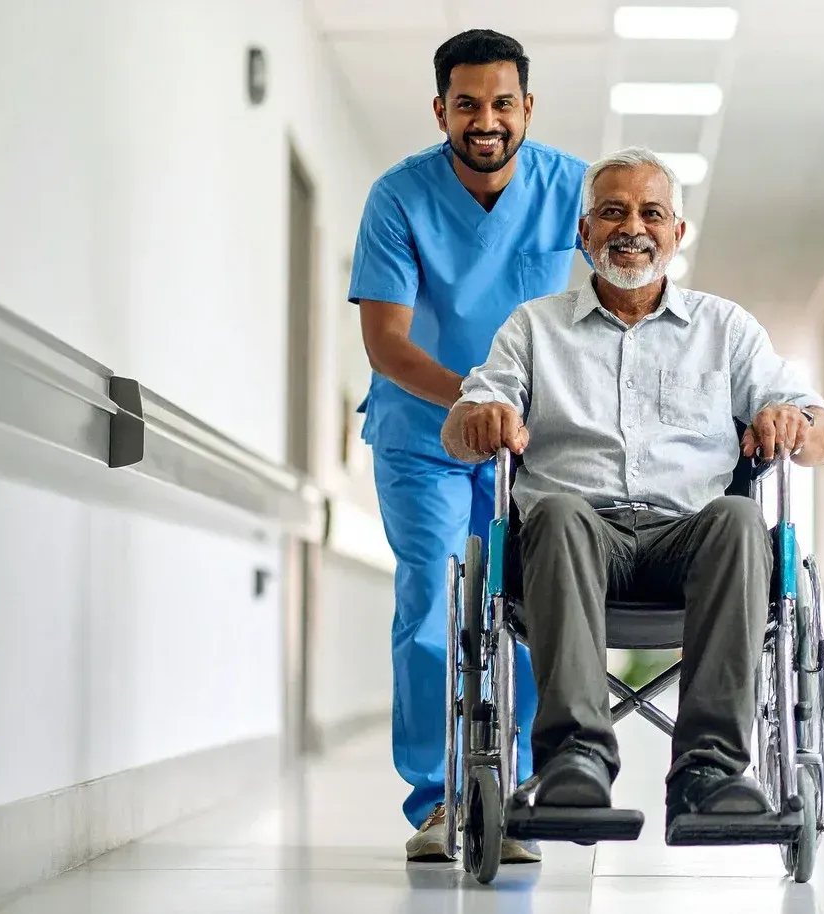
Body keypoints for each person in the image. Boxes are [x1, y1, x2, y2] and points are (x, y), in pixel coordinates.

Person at [438, 147, 824, 828]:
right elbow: (457, 429)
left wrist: (792, 421)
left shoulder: (726, 329)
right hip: (573, 545)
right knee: (559, 512)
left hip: (687, 546)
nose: (633, 227)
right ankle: (575, 759)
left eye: (652, 213)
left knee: (742, 519)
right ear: (584, 232)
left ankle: (708, 773)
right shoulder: (533, 329)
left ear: (677, 233)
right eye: (613, 212)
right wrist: (482, 419)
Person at [349, 29, 587, 864]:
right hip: (423, 434)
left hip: (532, 445)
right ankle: (439, 798)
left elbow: (623, 303)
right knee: (432, 602)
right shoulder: (399, 197)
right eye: (466, 104)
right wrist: (478, 399)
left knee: (522, 610)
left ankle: (512, 792)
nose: (485, 120)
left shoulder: (575, 192)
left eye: (501, 103)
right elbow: (387, 341)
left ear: (527, 107)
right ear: (440, 109)